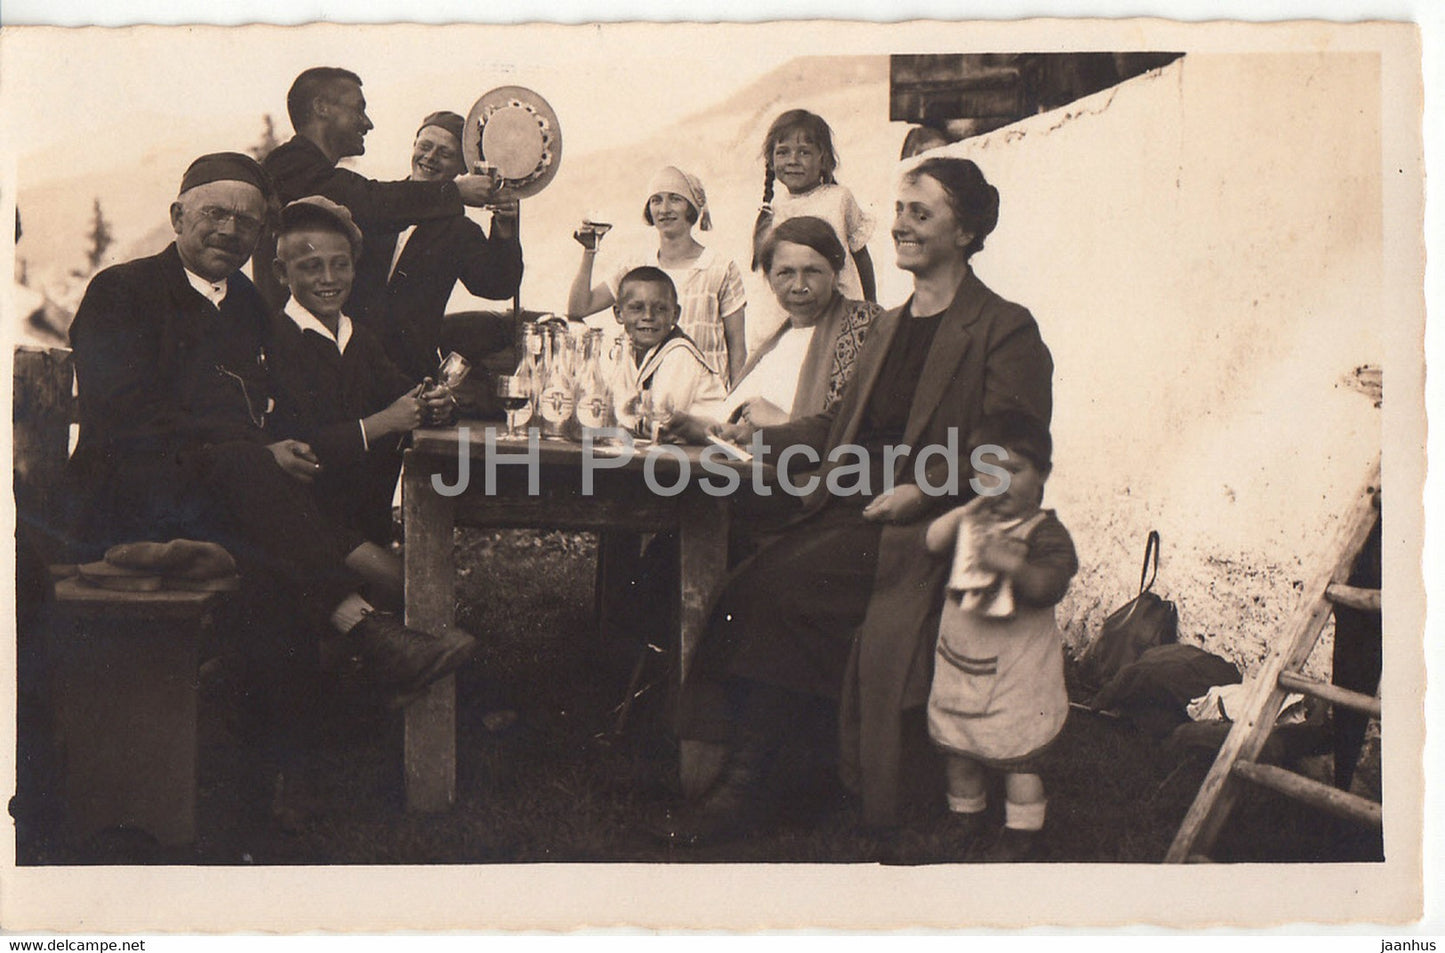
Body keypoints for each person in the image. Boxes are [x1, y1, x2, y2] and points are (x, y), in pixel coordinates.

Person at [666, 157, 1054, 845]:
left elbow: (1014, 451)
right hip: (850, 504)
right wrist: (744, 435)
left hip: (935, 524)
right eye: (899, 211)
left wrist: (924, 490)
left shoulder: (1003, 329)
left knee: (784, 585)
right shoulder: (888, 325)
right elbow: (835, 428)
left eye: (920, 213)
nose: (900, 225)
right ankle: (764, 767)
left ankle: (756, 781)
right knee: (747, 569)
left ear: (963, 231)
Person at [66, 152, 476, 707]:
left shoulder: (248, 309)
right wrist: (255, 452)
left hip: (230, 494)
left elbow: (280, 413)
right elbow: (124, 416)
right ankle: (367, 628)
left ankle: (324, 692)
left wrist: (274, 448)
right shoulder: (122, 291)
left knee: (277, 497)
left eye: (247, 223)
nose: (229, 230)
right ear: (178, 215)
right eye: (215, 213)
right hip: (130, 487)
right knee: (255, 477)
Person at [923, 411, 1077, 862]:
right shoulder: (973, 520)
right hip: (964, 656)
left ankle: (1022, 830)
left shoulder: (1046, 533)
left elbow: (1049, 586)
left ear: (1043, 474)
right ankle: (965, 817)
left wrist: (1010, 562)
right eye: (988, 471)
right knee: (960, 749)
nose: (1000, 484)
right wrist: (966, 512)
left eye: (1014, 471)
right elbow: (932, 542)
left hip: (1018, 672)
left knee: (1019, 759)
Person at [266, 195, 450, 568]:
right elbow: (301, 445)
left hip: (363, 519)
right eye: (311, 267)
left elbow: (404, 393)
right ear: (282, 273)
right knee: (411, 592)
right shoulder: (275, 341)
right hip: (302, 521)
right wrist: (384, 422)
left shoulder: (359, 338)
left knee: (415, 589)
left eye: (341, 265)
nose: (329, 279)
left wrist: (438, 403)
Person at [256, 67, 501, 310]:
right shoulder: (287, 164)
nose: (368, 123)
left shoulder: (313, 172)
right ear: (322, 108)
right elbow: (366, 201)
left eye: (446, 153)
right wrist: (455, 192)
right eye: (358, 108)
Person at [345, 110, 524, 382]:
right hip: (348, 361)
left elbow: (497, 285)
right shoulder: (378, 202)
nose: (429, 158)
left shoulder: (459, 230)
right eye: (425, 147)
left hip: (409, 374)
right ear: (413, 147)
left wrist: (504, 229)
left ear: (463, 170)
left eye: (444, 153)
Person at [668, 215, 880, 440]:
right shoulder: (775, 345)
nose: (799, 286)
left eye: (812, 271)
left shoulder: (864, 326)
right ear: (770, 279)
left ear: (835, 274)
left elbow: (862, 429)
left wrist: (783, 421)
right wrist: (696, 427)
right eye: (785, 273)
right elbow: (730, 425)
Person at [567, 166, 748, 386]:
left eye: (675, 199)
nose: (664, 209)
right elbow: (579, 308)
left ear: (691, 208)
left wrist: (735, 405)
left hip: (702, 396)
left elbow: (737, 347)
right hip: (643, 393)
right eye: (656, 200)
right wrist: (589, 251)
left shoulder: (720, 268)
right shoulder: (635, 266)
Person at [751, 109, 876, 305]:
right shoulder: (774, 209)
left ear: (823, 159)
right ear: (772, 161)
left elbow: (861, 258)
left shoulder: (839, 199)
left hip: (840, 311)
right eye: (783, 152)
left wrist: (871, 306)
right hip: (795, 312)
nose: (793, 160)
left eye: (804, 152)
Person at [607, 266, 726, 432]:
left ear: (675, 314)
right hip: (670, 446)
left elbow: (661, 420)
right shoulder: (625, 348)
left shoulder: (679, 353)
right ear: (619, 314)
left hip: (708, 448)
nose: (648, 316)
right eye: (637, 308)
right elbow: (613, 398)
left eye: (660, 309)